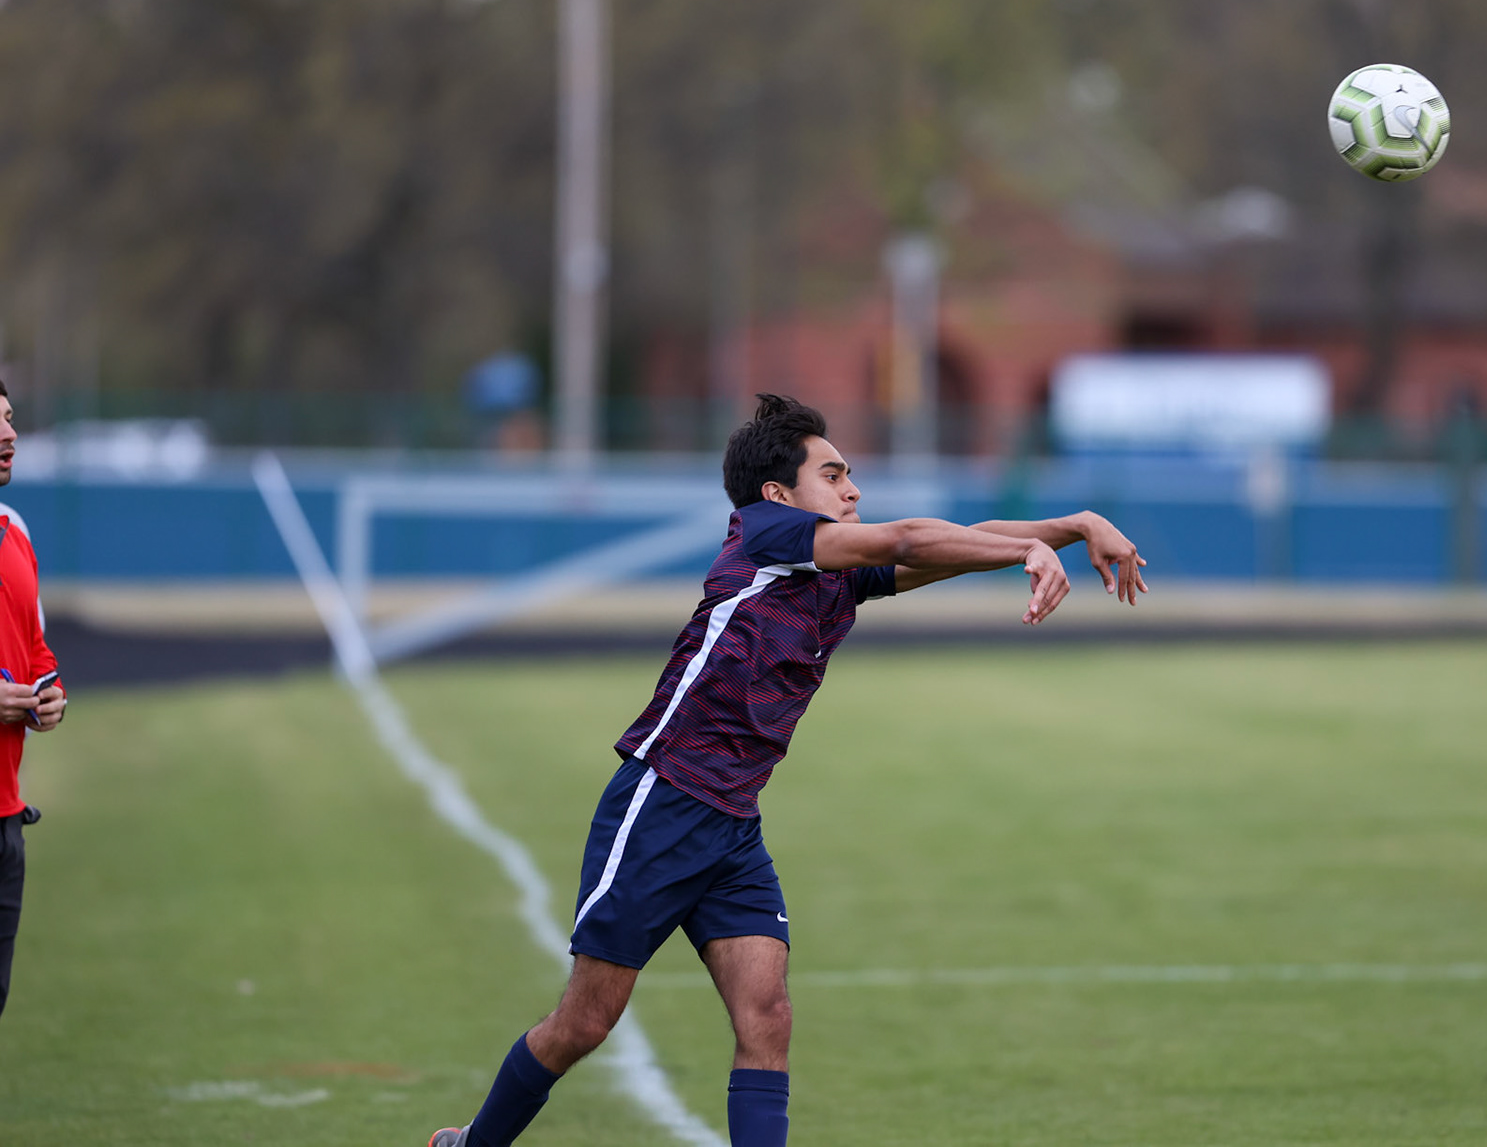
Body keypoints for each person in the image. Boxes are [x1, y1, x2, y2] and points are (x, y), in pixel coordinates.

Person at [431, 394, 1147, 1147]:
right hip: (664, 801)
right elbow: (903, 534)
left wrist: (1073, 528)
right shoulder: (767, 535)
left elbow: (944, 541)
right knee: (586, 1022)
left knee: (766, 1017)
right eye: (833, 475)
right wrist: (1026, 554)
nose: (853, 490)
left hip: (734, 824)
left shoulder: (835, 568)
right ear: (780, 495)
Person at [0, 378, 68, 1020]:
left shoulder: (15, 531)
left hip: (7, 817)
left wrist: (52, 697)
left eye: (12, 419)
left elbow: (37, 651)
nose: (9, 435)